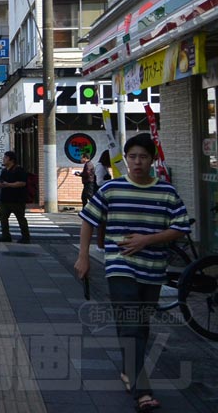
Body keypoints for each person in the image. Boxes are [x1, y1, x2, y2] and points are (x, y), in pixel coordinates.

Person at [74, 133, 190, 413]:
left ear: (152, 160)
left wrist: (147, 240)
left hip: (152, 268)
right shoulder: (112, 189)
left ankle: (129, 369)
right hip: (119, 265)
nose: (137, 162)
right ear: (126, 159)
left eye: (143, 157)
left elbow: (181, 226)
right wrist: (83, 257)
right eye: (132, 156)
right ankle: (143, 391)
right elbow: (89, 220)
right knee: (131, 321)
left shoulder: (167, 192)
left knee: (139, 324)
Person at [0, 150, 30, 243]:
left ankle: (26, 237)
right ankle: (6, 236)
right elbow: (1, 181)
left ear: (11, 160)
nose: (3, 159)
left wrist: (8, 184)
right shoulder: (4, 170)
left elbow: (22, 183)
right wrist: (0, 183)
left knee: (20, 218)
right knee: (3, 218)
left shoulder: (19, 170)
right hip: (4, 199)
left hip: (17, 199)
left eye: (5, 158)